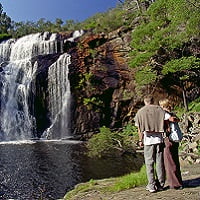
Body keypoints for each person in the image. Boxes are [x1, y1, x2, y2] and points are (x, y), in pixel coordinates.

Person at [134, 95, 165, 193]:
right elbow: (168, 120)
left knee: (149, 163)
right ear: (153, 100)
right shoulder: (160, 110)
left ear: (144, 101)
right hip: (159, 139)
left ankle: (151, 185)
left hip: (148, 140)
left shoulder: (140, 112)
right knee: (159, 162)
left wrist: (140, 140)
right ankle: (160, 184)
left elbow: (139, 129)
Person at [159, 98, 183, 190]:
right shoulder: (173, 114)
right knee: (175, 162)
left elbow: (169, 120)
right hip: (175, 140)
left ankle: (174, 184)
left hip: (168, 140)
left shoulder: (165, 114)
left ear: (163, 106)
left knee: (169, 163)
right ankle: (179, 182)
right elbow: (177, 120)